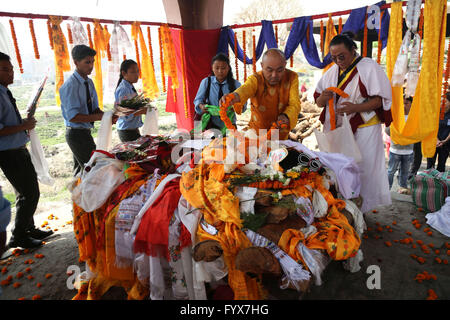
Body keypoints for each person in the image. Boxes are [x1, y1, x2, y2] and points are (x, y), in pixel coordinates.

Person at [314, 32, 393, 213]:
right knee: (338, 167)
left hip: (365, 127)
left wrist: (355, 109)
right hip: (338, 128)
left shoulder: (369, 67)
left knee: (363, 167)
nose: (338, 61)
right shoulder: (332, 72)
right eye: (333, 57)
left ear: (353, 50)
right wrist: (324, 98)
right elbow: (318, 102)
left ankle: (362, 211)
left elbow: (380, 100)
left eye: (342, 56)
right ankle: (342, 205)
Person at [0, 52, 52, 249]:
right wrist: (23, 126)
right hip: (9, 152)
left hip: (17, 148)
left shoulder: (5, 91)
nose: (11, 73)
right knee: (29, 193)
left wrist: (23, 122)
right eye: (5, 69)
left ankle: (29, 228)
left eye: (12, 69)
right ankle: (19, 235)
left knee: (27, 191)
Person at [219, 48, 301, 140]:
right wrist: (234, 96)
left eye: (279, 70)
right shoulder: (256, 79)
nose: (274, 75)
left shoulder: (292, 78)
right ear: (262, 66)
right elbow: (245, 89)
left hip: (280, 137)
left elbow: (295, 103)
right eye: (269, 70)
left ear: (285, 65)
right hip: (255, 135)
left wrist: (286, 116)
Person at [60, 45, 116, 176]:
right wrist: (100, 117)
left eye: (92, 62)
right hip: (76, 134)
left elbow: (94, 109)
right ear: (76, 62)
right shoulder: (70, 86)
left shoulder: (89, 83)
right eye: (87, 62)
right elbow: (73, 117)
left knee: (81, 173)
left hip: (84, 132)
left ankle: (79, 195)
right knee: (94, 171)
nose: (91, 66)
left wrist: (108, 117)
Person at [194, 53, 244, 132]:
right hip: (210, 124)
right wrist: (201, 106)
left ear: (228, 68)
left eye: (223, 68)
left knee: (229, 144)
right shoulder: (206, 82)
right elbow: (198, 100)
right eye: (217, 68)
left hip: (230, 125)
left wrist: (233, 107)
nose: (220, 71)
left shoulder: (236, 84)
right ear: (212, 68)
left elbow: (243, 106)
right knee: (211, 144)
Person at [386, 96, 414, 193]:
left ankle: (403, 189)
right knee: (390, 171)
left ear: (411, 105)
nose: (404, 106)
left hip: (408, 150)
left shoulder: (413, 118)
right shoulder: (396, 116)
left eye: (406, 103)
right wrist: (397, 137)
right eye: (402, 103)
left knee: (405, 172)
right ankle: (387, 189)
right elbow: (387, 130)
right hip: (395, 150)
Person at [115, 59, 147, 142]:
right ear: (124, 73)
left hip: (132, 130)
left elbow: (132, 107)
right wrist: (142, 111)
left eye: (137, 71)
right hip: (127, 132)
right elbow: (125, 114)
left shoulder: (129, 86)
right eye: (133, 72)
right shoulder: (124, 89)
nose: (137, 75)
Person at [426, 92, 450, 172]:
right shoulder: (435, 112)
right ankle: (429, 182)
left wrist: (445, 141)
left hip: (446, 144)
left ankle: (439, 183)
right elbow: (431, 127)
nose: (442, 103)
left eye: (445, 101)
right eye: (440, 101)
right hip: (433, 142)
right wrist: (436, 140)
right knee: (430, 165)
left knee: (441, 165)